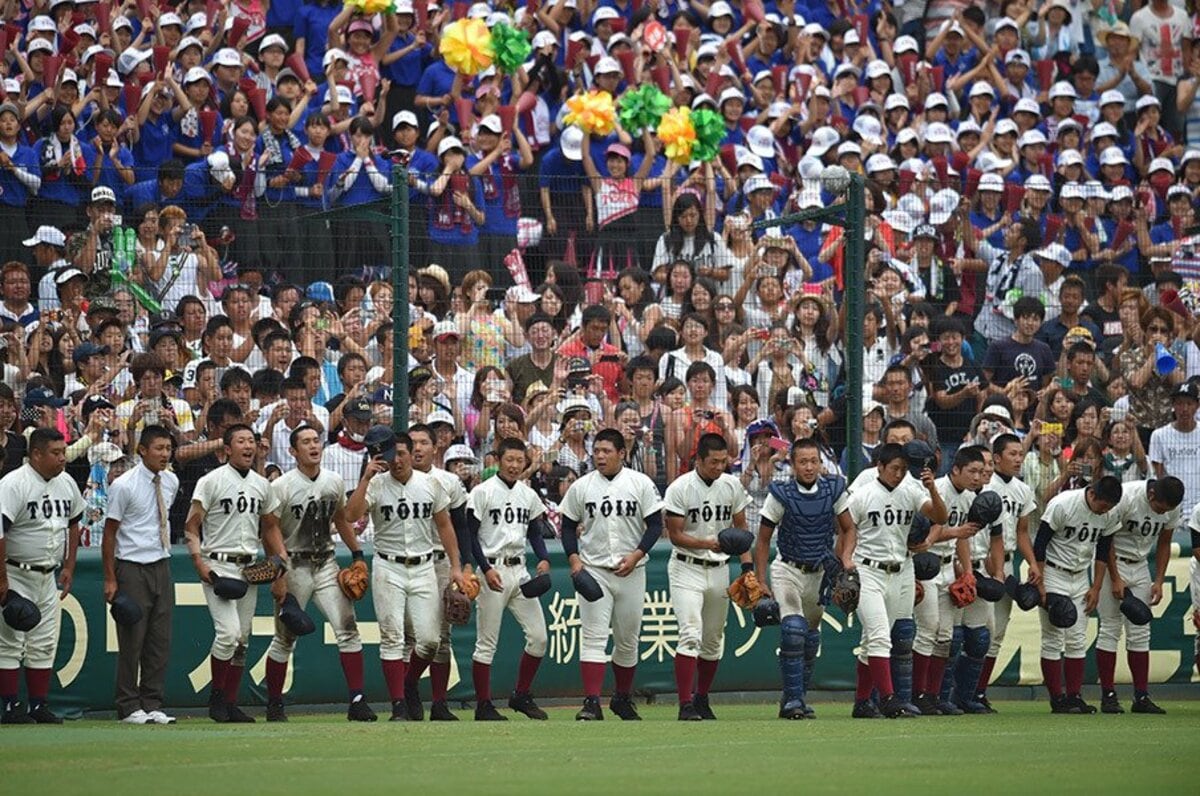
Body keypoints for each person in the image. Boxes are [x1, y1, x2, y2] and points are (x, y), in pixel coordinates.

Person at [344, 427, 466, 722]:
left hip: (424, 566)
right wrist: (365, 478)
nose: (396, 459)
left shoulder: (430, 484)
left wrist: (456, 566)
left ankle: (409, 682)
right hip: (388, 566)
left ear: (412, 454)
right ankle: (399, 704)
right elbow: (350, 515)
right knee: (393, 638)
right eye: (391, 454)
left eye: (401, 453)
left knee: (429, 641)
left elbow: (445, 525)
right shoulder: (376, 484)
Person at [263, 426, 376, 723]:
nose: (313, 446)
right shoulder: (282, 486)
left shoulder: (333, 481)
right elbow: (269, 529)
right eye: (305, 442)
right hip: (293, 566)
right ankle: (274, 703)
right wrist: (278, 574)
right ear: (292, 451)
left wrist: (357, 554)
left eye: (316, 440)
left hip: (326, 563)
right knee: (284, 638)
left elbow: (341, 519)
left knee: (348, 630)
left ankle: (357, 701)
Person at [185, 423, 289, 723]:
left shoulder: (261, 484)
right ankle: (217, 698)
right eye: (240, 441)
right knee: (228, 634)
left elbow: (270, 526)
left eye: (251, 441)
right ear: (227, 448)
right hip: (217, 565)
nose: (247, 446)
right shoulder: (211, 480)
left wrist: (280, 564)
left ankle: (229, 703)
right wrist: (199, 563)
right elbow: (192, 526)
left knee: (242, 638)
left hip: (249, 568)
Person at [839, 442, 948, 719]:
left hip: (900, 571)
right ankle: (888, 699)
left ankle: (863, 702)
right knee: (878, 637)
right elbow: (845, 527)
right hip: (868, 571)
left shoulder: (911, 491)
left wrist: (933, 488)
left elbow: (940, 517)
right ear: (880, 467)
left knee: (874, 640)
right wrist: (845, 560)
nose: (899, 474)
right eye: (894, 468)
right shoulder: (862, 494)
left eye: (902, 469)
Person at [560, 428, 663, 721]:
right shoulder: (581, 486)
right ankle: (592, 701)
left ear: (622, 453)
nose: (601, 456)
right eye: (597, 451)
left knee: (628, 640)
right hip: (595, 570)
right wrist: (574, 560)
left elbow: (655, 524)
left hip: (632, 570)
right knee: (592, 637)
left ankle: (621, 698)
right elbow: (567, 526)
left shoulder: (639, 483)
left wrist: (638, 554)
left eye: (607, 451)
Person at [753, 439, 849, 719]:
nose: (809, 467)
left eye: (813, 461)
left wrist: (844, 559)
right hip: (787, 569)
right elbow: (762, 540)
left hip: (819, 573)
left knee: (808, 640)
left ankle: (796, 697)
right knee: (793, 631)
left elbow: (848, 528)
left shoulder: (833, 489)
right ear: (792, 465)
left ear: (821, 463)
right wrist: (760, 579)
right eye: (803, 462)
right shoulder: (780, 494)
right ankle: (793, 701)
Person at [663, 433, 752, 721]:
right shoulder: (681, 487)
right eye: (713, 461)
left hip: (720, 569)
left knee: (713, 640)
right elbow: (675, 535)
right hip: (687, 567)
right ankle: (685, 703)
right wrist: (708, 544)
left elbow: (741, 530)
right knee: (690, 633)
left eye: (723, 461)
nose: (718, 466)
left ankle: (702, 697)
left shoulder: (731, 485)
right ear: (698, 459)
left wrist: (748, 569)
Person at [0, 429, 84, 724]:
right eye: (56, 453)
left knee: (44, 642)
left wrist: (70, 566)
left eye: (64, 452)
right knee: (9, 642)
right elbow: (0, 533)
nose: (63, 458)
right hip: (15, 571)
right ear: (36, 454)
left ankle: (38, 705)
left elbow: (74, 522)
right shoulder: (13, 484)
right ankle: (9, 707)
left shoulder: (67, 482)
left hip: (48, 574)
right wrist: (1, 581)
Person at [466, 437, 553, 721]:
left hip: (521, 570)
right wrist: (485, 569)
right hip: (492, 568)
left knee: (539, 638)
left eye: (519, 460)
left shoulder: (527, 495)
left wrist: (543, 557)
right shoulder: (482, 492)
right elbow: (470, 535)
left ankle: (521, 695)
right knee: (486, 643)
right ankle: (483, 705)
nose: (515, 465)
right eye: (510, 460)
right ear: (498, 460)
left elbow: (536, 532)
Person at [101, 425, 178, 725]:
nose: (164, 454)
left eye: (168, 449)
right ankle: (128, 705)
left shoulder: (170, 481)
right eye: (158, 448)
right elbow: (110, 534)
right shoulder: (124, 485)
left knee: (160, 640)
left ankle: (152, 702)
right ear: (142, 451)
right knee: (132, 639)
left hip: (162, 562)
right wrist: (111, 578)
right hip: (131, 566)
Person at [1034, 476, 1124, 714]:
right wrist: (1040, 583)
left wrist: (1096, 586)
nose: (1106, 511)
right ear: (1092, 494)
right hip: (1053, 572)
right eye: (1103, 505)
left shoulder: (1109, 514)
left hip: (1080, 575)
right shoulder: (1063, 504)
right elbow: (1040, 544)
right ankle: (1057, 698)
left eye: (1110, 507)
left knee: (1077, 639)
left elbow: (1103, 551)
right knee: (1053, 637)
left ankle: (1074, 696)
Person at [1094, 477, 1182, 715]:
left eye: (1168, 510)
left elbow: (1165, 542)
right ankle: (1108, 695)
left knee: (1141, 631)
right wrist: (1114, 577)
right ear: (1151, 495)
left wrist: (1159, 580)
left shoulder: (1171, 506)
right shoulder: (1128, 496)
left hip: (1141, 565)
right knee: (1110, 628)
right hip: (1115, 562)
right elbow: (1106, 539)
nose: (1163, 513)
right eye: (1161, 508)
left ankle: (1141, 696)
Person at [402, 423, 472, 722]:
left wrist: (465, 566)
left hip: (442, 561)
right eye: (413, 443)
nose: (417, 448)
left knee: (443, 635)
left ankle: (440, 703)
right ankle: (409, 694)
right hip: (408, 562)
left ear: (435, 448)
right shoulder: (396, 478)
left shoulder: (448, 481)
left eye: (423, 443)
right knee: (410, 636)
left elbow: (461, 526)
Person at [912, 446, 986, 716]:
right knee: (928, 630)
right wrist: (956, 531)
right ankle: (917, 693)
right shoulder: (937, 490)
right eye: (972, 471)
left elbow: (961, 539)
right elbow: (924, 538)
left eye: (980, 472)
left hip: (947, 569)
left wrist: (966, 571)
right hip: (927, 565)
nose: (977, 477)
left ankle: (934, 696)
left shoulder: (967, 497)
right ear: (956, 469)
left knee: (946, 637)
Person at [975, 434, 1040, 710]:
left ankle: (978, 692)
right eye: (1012, 454)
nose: (1018, 459)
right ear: (997, 457)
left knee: (997, 634)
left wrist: (1033, 563)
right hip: (982, 560)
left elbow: (1022, 531)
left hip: (1009, 561)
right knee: (975, 630)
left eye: (1020, 454)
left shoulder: (1023, 490)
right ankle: (961, 690)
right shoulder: (983, 485)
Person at [1148, 381, 1200, 519]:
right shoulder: (1159, 435)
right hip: (1171, 509)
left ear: (1197, 405)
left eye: (1189, 403)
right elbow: (1157, 475)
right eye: (1179, 403)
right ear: (1173, 405)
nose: (1184, 409)